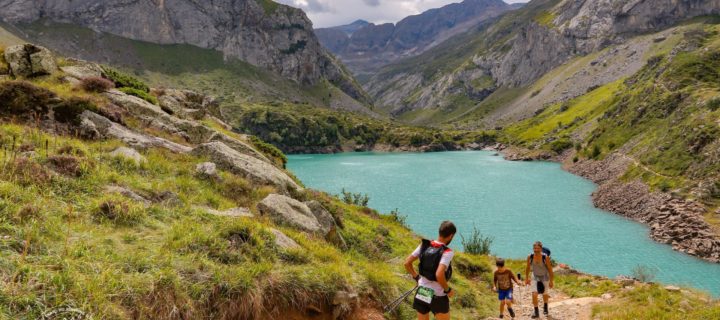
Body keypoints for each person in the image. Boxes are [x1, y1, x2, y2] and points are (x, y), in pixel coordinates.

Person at [403, 221, 457, 320]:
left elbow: (407, 263)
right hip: (438, 296)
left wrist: (416, 277)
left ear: (439, 232)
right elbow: (439, 274)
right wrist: (448, 290)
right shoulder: (447, 252)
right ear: (451, 236)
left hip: (422, 291)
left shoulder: (425, 245)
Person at [525, 241, 554, 318]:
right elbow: (527, 268)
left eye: (538, 248)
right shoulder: (530, 257)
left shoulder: (545, 257)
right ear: (533, 248)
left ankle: (545, 307)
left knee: (545, 293)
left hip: (545, 276)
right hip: (535, 276)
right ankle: (536, 311)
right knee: (534, 294)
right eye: (535, 248)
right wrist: (526, 278)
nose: (536, 250)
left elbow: (550, 270)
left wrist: (551, 281)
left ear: (541, 248)